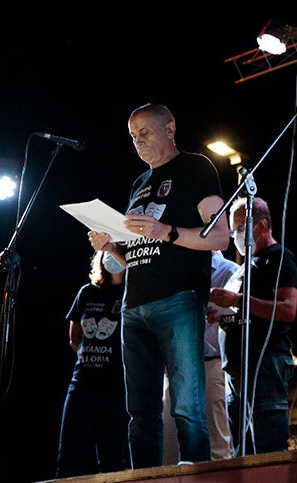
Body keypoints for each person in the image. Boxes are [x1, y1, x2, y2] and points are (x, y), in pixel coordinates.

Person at [87, 102, 231, 468]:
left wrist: (166, 231)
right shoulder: (139, 183)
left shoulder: (197, 167)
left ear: (170, 128)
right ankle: (144, 478)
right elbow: (136, 255)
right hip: (134, 305)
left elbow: (220, 238)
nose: (139, 142)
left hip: (178, 298)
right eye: (133, 136)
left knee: (187, 406)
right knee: (140, 412)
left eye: (145, 132)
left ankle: (197, 474)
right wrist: (111, 247)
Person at [209, 195, 297, 456]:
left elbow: (288, 309)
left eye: (239, 228)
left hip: (265, 365)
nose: (236, 235)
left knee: (267, 446)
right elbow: (242, 311)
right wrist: (221, 314)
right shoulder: (242, 268)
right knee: (242, 449)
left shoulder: (280, 258)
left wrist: (237, 299)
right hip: (236, 370)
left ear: (261, 226)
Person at [162, 249, 241, 464]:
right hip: (177, 367)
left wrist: (222, 315)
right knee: (169, 443)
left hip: (211, 363)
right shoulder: (177, 271)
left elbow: (237, 320)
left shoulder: (230, 271)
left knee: (217, 444)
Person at [54, 250, 128, 478]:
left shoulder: (130, 293)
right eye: (107, 250)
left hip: (116, 388)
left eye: (116, 250)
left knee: (112, 461)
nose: (111, 257)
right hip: (82, 386)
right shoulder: (86, 292)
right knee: (68, 458)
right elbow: (74, 339)